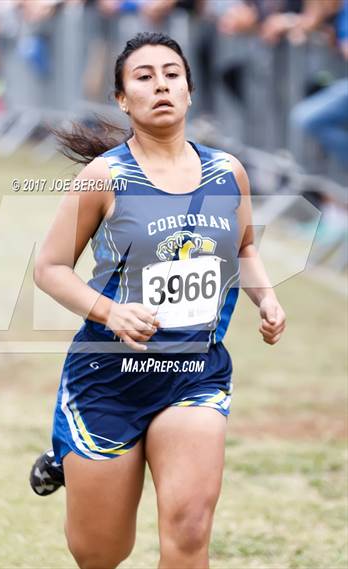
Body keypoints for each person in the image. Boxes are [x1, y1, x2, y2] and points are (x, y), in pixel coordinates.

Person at [30, 32, 286, 569]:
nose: (161, 84)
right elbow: (50, 268)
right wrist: (110, 311)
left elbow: (243, 248)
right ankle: (65, 452)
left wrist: (266, 298)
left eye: (172, 74)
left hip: (195, 374)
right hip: (109, 380)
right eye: (143, 77)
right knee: (101, 552)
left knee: (190, 529)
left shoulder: (227, 173)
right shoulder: (105, 177)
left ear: (190, 91)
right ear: (123, 99)